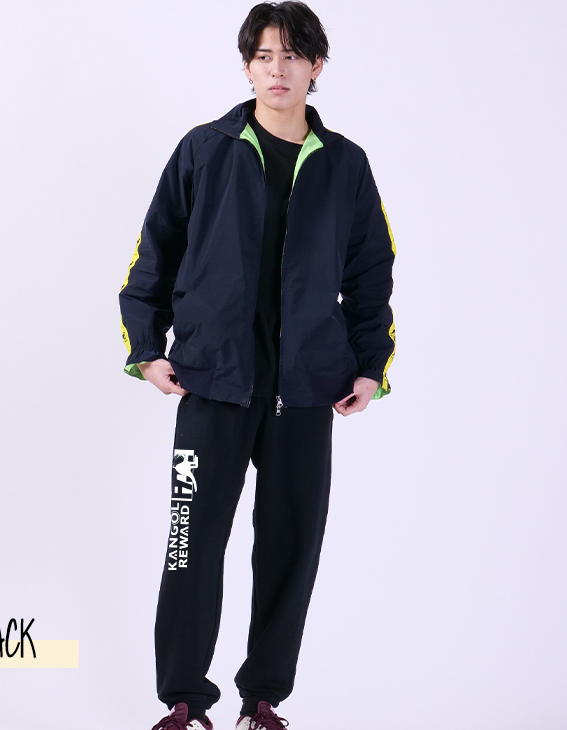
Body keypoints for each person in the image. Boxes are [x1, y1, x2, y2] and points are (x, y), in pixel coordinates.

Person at [119, 2, 396, 728]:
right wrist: (146, 348)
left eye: (292, 55)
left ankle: (263, 700)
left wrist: (370, 366)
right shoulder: (204, 149)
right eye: (265, 55)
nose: (278, 70)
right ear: (247, 65)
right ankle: (185, 701)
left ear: (316, 66)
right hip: (212, 382)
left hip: (305, 389)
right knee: (191, 543)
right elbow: (154, 252)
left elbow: (372, 272)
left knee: (290, 548)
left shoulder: (345, 164)